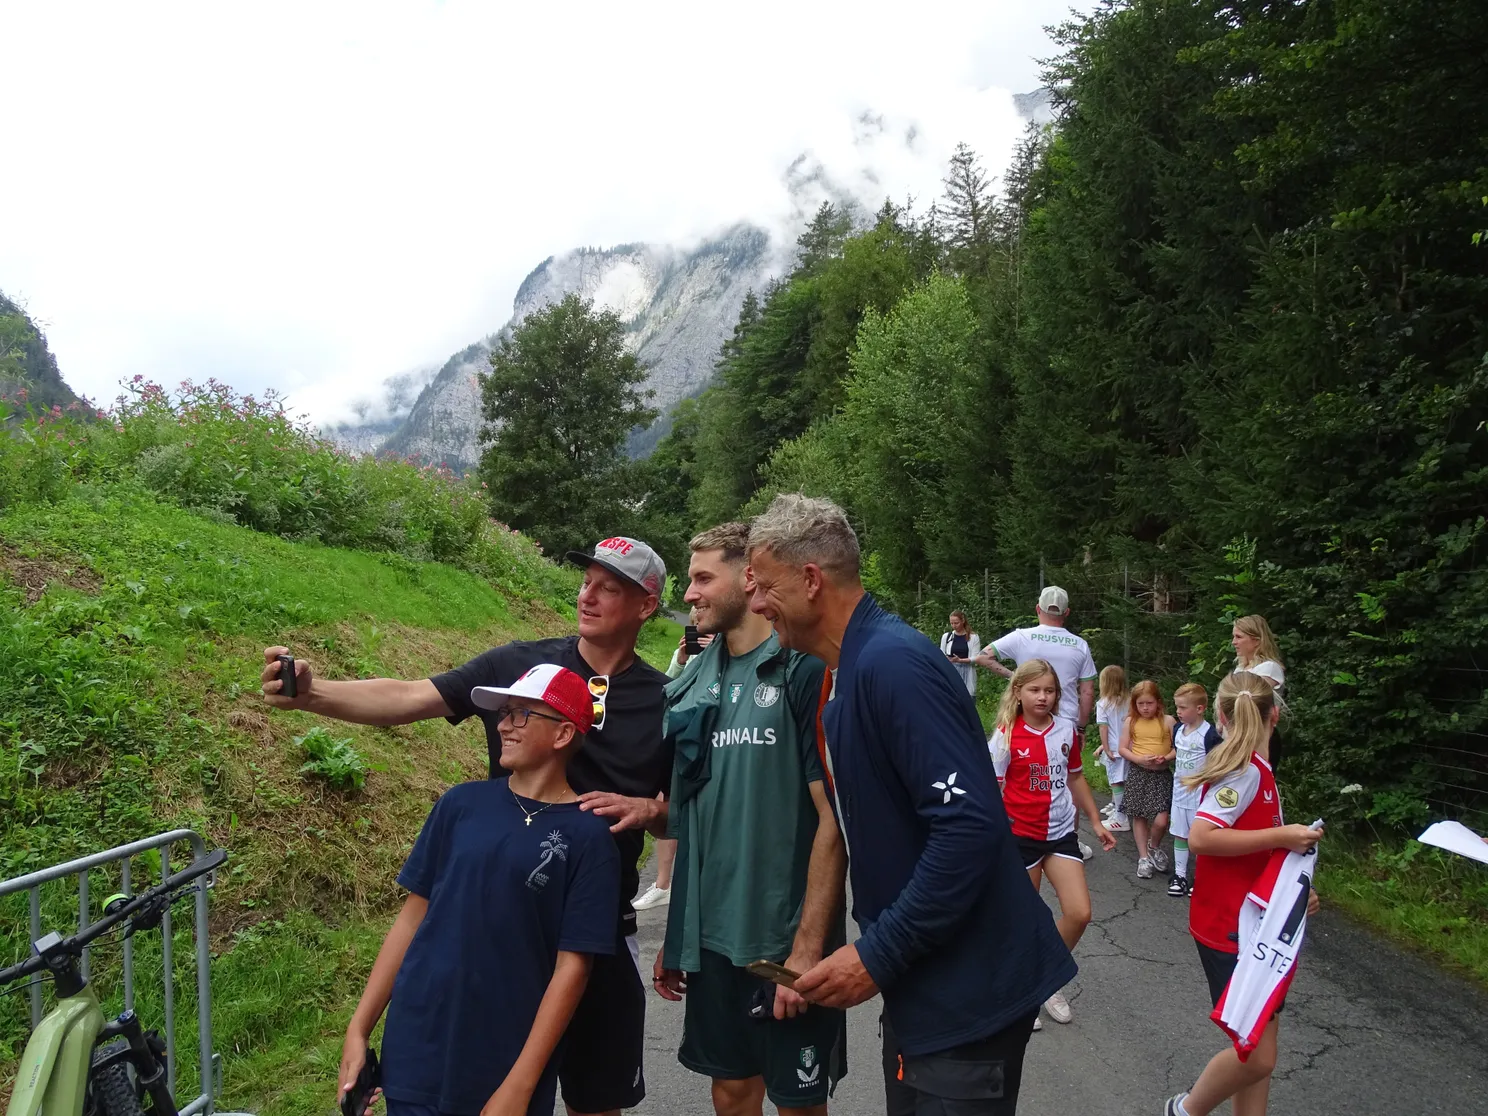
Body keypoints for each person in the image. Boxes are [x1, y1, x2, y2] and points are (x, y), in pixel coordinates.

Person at [264, 535, 670, 1116]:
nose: (588, 596)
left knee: (595, 1103)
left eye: (609, 588)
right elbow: (408, 697)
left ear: (647, 605)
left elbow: (699, 816)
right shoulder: (520, 668)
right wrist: (312, 693)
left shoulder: (667, 701)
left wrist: (654, 812)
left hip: (596, 929)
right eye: (586, 583)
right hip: (503, 931)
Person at [745, 494, 1075, 1116]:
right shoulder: (844, 673)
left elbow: (968, 829)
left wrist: (877, 955)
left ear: (811, 580)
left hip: (968, 995)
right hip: (924, 989)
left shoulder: (891, 665)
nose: (756, 603)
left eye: (764, 586)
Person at [337, 664, 620, 1116]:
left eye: (522, 714)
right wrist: (359, 1028)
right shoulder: (460, 804)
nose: (504, 725)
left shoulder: (588, 838)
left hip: (503, 1057)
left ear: (564, 733)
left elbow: (573, 970)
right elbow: (411, 920)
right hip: (417, 1041)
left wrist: (521, 1085)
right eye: (504, 713)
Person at [647, 522, 848, 1116]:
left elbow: (835, 820)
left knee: (796, 1103)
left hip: (783, 942)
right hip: (711, 941)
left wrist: (806, 949)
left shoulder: (803, 671)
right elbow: (691, 821)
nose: (689, 593)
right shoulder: (693, 680)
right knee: (732, 1091)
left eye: (703, 577)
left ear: (750, 577)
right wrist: (678, 937)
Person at [1164, 672, 1322, 1116]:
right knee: (1258, 1056)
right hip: (1230, 929)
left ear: (1219, 715)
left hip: (1260, 927)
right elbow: (1202, 837)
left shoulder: (1260, 770)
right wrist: (1282, 835)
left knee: (1257, 1051)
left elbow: (1261, 853)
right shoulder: (1245, 771)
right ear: (1276, 715)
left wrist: (1295, 896)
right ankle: (1184, 1110)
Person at [988, 659, 1116, 1029]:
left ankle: (1044, 977)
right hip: (1020, 838)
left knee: (1079, 913)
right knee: (1023, 920)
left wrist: (1096, 821)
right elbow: (992, 789)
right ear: (1018, 692)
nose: (1043, 697)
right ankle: (1019, 991)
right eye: (1035, 690)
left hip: (1060, 834)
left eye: (1049, 690)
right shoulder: (1006, 735)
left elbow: (1075, 777)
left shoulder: (1065, 730)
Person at [637, 611, 716, 913]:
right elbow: (668, 688)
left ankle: (699, 882)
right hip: (680, 734)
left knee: (704, 809)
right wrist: (682, 660)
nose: (699, 628)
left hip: (710, 738)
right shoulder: (688, 651)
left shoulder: (726, 651)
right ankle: (662, 884)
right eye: (695, 624)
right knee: (668, 802)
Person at [976, 586, 1096, 728]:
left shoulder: (1021, 637)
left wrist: (1013, 676)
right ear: (1067, 612)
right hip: (1066, 723)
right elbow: (1087, 691)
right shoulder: (1080, 645)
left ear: (1038, 609)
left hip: (1027, 721)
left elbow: (983, 657)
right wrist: (1081, 727)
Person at [1118, 680, 1175, 880]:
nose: (1145, 708)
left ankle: (1153, 846)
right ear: (1134, 704)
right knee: (1139, 815)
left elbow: (1179, 746)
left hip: (1161, 775)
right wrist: (1138, 759)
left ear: (1158, 702)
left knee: (1162, 820)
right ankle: (1143, 857)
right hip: (1139, 773)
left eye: (1149, 703)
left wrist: (1166, 758)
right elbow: (1122, 748)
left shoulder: (1168, 721)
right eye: (1140, 704)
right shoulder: (1131, 721)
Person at [1167, 683, 1221, 898]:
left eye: (1183, 708)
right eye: (1177, 707)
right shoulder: (1178, 730)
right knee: (1180, 834)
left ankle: (1202, 878)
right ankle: (1179, 875)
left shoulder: (1210, 734)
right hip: (1179, 792)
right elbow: (1177, 752)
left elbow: (1217, 764)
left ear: (1199, 709)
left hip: (1200, 795)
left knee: (1200, 839)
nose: (1178, 712)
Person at [1231, 615, 1287, 772]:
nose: (1234, 642)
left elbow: (1250, 700)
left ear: (1256, 640)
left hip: (1261, 737)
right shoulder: (1240, 669)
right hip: (1238, 735)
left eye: (1239, 637)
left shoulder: (1269, 668)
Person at [1096, 665, 1132, 833]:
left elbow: (1103, 727)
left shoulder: (1103, 704)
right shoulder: (1130, 701)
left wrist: (1106, 748)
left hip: (1114, 749)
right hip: (1129, 747)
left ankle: (1121, 818)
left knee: (1116, 782)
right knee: (1125, 780)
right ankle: (1120, 813)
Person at [939, 610, 983, 697]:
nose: (954, 626)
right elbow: (941, 654)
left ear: (963, 621)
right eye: (951, 623)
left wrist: (960, 660)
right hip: (951, 672)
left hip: (968, 672)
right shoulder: (946, 637)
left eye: (956, 623)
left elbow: (976, 658)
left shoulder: (973, 637)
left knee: (968, 697)